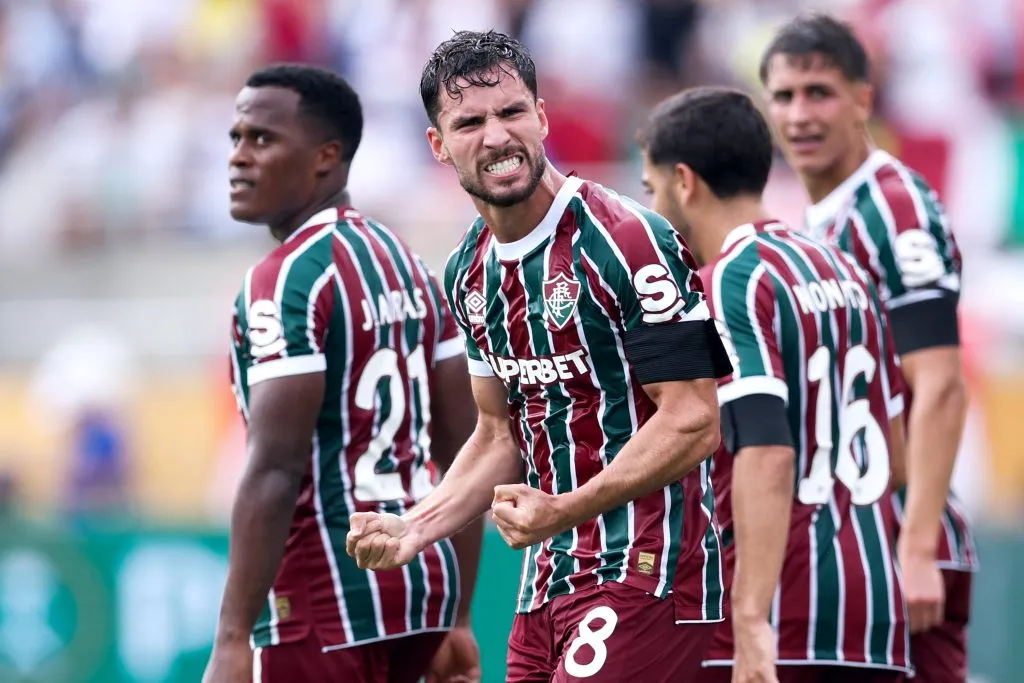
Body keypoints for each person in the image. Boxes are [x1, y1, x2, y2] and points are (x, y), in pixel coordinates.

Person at [346, 29, 733, 683]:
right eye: (470, 123)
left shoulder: (628, 240)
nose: (497, 136)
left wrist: (566, 508)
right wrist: (417, 526)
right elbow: (500, 433)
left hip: (653, 571)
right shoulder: (468, 270)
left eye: (511, 112)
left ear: (542, 117)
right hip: (546, 584)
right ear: (438, 145)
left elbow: (694, 419)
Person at [201, 64, 482, 683]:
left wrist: (232, 638)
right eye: (236, 138)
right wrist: (459, 614)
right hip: (422, 588)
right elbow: (463, 448)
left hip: (322, 592)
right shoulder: (411, 267)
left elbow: (276, 469)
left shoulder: (285, 279)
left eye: (262, 138)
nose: (239, 157)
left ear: (326, 156)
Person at [639, 86, 912, 683]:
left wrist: (748, 617)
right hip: (872, 616)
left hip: (776, 615)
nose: (652, 208)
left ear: (683, 181)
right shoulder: (848, 270)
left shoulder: (726, 281)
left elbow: (766, 451)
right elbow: (895, 455)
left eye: (651, 188)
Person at [760, 14, 978, 683]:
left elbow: (940, 383)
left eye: (819, 93)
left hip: (902, 539)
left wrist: (916, 547)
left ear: (862, 99)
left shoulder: (893, 208)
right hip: (859, 538)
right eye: (784, 95)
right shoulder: (823, 218)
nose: (800, 114)